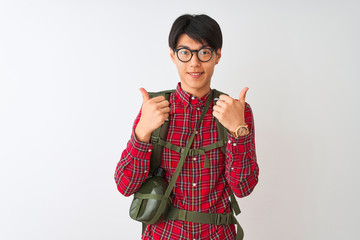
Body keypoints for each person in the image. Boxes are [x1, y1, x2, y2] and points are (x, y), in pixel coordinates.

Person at [114, 14, 259, 240]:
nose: (194, 63)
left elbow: (244, 187)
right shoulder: (153, 108)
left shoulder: (235, 110)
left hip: (217, 235)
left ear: (217, 55)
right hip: (164, 234)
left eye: (204, 52)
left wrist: (237, 130)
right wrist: (142, 133)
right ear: (173, 55)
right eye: (185, 52)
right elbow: (125, 185)